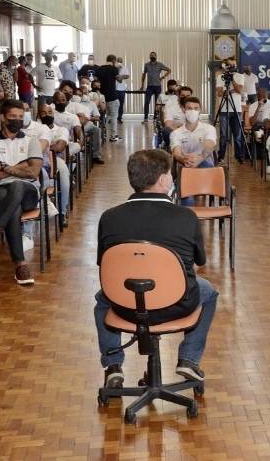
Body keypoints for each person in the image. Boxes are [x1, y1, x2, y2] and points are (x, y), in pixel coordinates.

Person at [94, 148, 218, 389]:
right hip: (176, 304)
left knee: (101, 299)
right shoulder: (186, 217)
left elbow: (104, 265)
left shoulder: (109, 217)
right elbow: (198, 262)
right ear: (163, 180)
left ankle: (113, 365)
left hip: (125, 306)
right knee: (209, 292)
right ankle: (189, 359)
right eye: (170, 174)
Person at [0, 100, 43, 286]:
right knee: (14, 204)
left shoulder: (32, 140)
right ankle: (21, 266)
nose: (18, 120)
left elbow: (33, 172)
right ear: (3, 118)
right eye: (13, 117)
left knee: (18, 187)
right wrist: (20, 165)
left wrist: (4, 165)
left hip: (29, 190)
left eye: (21, 117)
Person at [215, 59, 245, 163]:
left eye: (234, 65)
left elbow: (239, 90)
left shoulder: (240, 76)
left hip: (237, 109)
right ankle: (221, 156)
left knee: (237, 135)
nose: (233, 67)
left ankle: (239, 156)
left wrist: (232, 79)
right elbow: (219, 93)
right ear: (226, 66)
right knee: (223, 135)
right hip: (224, 109)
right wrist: (231, 91)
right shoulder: (220, 77)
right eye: (230, 65)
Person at [95, 55, 121, 142]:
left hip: (102, 97)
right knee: (114, 116)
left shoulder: (100, 69)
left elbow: (95, 80)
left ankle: (103, 133)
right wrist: (121, 74)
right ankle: (114, 136)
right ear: (113, 60)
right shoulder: (114, 69)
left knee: (105, 116)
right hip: (112, 96)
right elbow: (119, 80)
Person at [140, 52, 171, 123]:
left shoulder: (160, 64)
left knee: (157, 103)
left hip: (157, 86)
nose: (152, 56)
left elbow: (169, 70)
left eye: (153, 55)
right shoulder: (146, 65)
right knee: (147, 102)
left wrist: (163, 77)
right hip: (149, 87)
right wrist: (142, 85)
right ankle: (145, 118)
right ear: (149, 57)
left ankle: (155, 118)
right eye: (151, 55)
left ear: (156, 56)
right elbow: (144, 75)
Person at [115, 56, 129, 123]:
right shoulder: (113, 68)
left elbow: (127, 76)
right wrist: (117, 70)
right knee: (114, 104)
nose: (119, 62)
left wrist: (121, 76)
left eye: (120, 61)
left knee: (121, 104)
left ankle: (119, 118)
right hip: (114, 89)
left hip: (122, 89)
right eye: (118, 61)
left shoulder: (125, 68)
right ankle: (113, 118)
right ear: (116, 61)